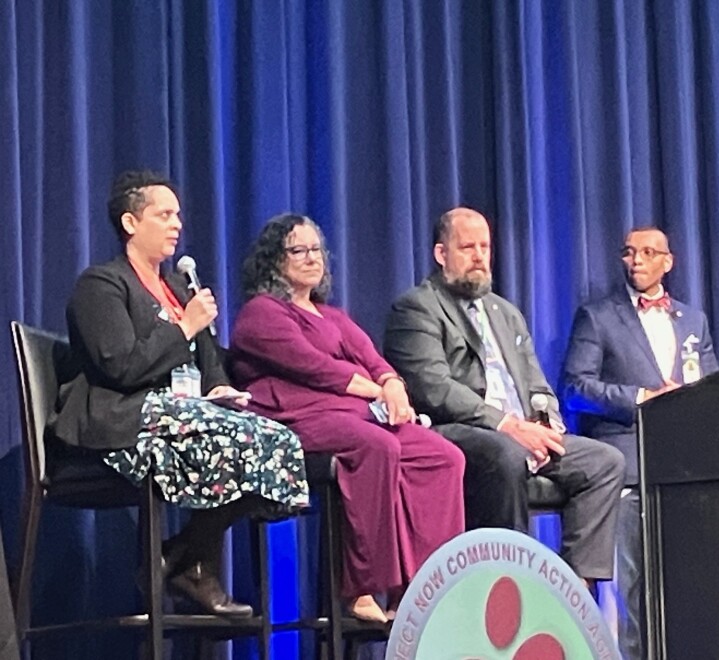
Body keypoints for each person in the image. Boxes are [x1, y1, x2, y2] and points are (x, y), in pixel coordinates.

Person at [49, 171, 309, 617]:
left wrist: (220, 388)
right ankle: (189, 565)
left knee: (276, 438)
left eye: (179, 215)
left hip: (181, 415)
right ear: (131, 223)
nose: (177, 224)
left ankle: (180, 556)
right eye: (164, 214)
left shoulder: (175, 288)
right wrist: (185, 326)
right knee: (242, 439)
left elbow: (205, 358)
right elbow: (120, 366)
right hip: (122, 419)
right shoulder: (102, 285)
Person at [228, 213, 465, 624]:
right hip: (296, 416)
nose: (310, 258)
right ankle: (362, 588)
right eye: (297, 250)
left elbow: (373, 358)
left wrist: (391, 382)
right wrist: (376, 389)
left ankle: (424, 588)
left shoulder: (332, 315)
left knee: (442, 456)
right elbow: (313, 367)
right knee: (378, 445)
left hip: (353, 412)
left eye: (315, 249)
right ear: (273, 261)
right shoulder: (261, 313)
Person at [383, 206, 625, 589]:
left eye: (485, 246)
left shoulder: (505, 312)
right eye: (467, 247)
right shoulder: (417, 307)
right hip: (458, 430)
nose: (479, 256)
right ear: (441, 254)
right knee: (505, 454)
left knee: (605, 461)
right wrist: (509, 426)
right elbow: (433, 387)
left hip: (520, 429)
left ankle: (575, 589)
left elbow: (536, 384)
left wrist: (544, 425)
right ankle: (507, 583)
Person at [562, 226, 719, 659]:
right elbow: (575, 388)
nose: (637, 260)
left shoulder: (693, 321)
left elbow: (712, 385)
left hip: (683, 473)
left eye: (648, 253)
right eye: (629, 252)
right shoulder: (598, 317)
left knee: (681, 590)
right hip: (626, 472)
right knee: (628, 596)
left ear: (668, 262)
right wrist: (642, 398)